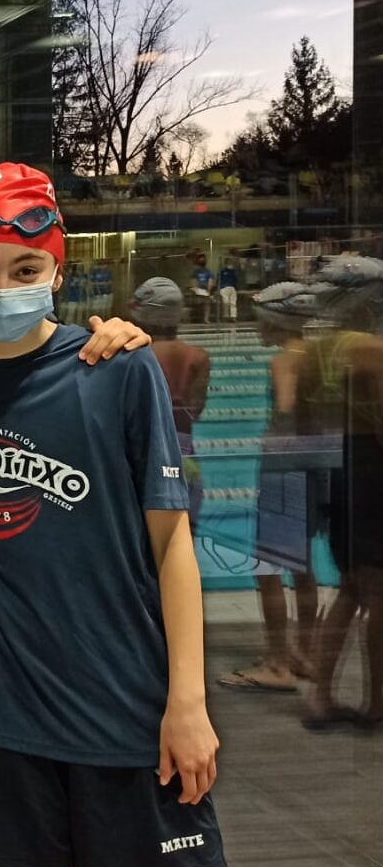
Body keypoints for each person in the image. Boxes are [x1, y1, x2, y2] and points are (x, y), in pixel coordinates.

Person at [0, 163, 239, 867]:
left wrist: (188, 700)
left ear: (58, 272)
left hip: (124, 696)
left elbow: (172, 543)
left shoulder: (117, 368)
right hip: (7, 703)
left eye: (25, 269)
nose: (3, 286)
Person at [220, 282, 322, 692]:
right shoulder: (317, 355)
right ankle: (306, 653)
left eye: (260, 320)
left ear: (275, 321)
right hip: (313, 468)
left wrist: (268, 440)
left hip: (283, 472)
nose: (256, 327)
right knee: (304, 568)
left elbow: (285, 409)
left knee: (267, 568)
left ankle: (278, 662)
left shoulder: (283, 360)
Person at [298, 256, 383, 730]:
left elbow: (304, 426)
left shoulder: (312, 354)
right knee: (379, 591)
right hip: (371, 468)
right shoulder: (372, 349)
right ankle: (377, 703)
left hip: (334, 465)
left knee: (349, 586)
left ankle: (320, 696)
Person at [130, 277, 210, 527]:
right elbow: (197, 409)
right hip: (185, 452)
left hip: (145, 456)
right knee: (186, 530)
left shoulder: (135, 356)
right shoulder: (198, 357)